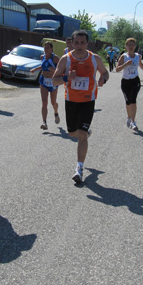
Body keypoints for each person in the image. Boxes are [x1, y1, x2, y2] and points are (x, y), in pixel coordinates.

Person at [52, 30, 109, 184]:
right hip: (71, 100)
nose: (79, 45)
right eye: (76, 42)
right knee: (72, 134)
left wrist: (103, 79)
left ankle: (79, 168)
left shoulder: (95, 58)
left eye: (82, 42)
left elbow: (105, 72)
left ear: (87, 43)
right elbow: (54, 81)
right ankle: (85, 132)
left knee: (82, 135)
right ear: (72, 42)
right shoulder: (66, 59)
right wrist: (66, 77)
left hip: (88, 101)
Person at [116, 38, 143, 130]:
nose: (130, 46)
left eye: (132, 45)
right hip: (125, 82)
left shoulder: (138, 56)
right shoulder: (123, 56)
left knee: (133, 100)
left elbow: (140, 64)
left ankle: (133, 121)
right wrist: (125, 64)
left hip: (135, 81)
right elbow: (117, 69)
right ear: (126, 46)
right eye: (129, 45)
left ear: (135, 46)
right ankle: (129, 117)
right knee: (128, 102)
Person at [30, 41, 61, 130]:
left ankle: (56, 112)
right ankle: (44, 122)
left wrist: (54, 70)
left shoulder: (55, 58)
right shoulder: (42, 57)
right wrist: (35, 69)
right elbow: (43, 66)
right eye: (45, 48)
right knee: (44, 102)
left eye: (48, 48)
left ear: (51, 49)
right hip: (43, 81)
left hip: (53, 82)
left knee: (53, 102)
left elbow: (61, 69)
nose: (46, 49)